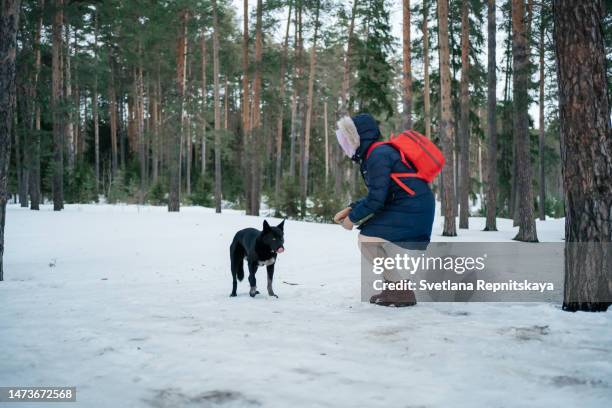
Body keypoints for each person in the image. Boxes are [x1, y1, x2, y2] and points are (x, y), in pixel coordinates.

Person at [333, 113, 435, 307]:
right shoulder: (376, 153)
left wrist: (351, 219)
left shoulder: (377, 155)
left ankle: (401, 290)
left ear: (357, 137)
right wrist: (351, 208)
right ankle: (393, 288)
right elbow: (383, 193)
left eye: (347, 139)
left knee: (367, 240)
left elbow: (377, 199)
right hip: (412, 206)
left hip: (412, 209)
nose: (345, 144)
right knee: (371, 239)